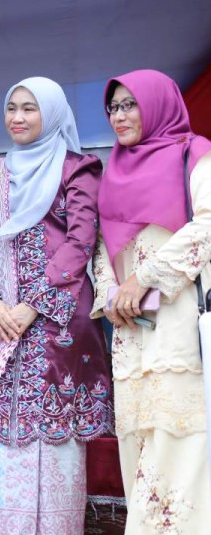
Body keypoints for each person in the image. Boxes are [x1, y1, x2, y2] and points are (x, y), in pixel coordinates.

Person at [0, 77, 112, 533]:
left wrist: (33, 305)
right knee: (5, 447)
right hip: (0, 326)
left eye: (29, 108)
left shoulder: (78, 168)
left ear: (50, 114)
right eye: (11, 108)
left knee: (58, 447)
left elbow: (80, 242)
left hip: (57, 326)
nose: (17, 118)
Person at [92, 69, 211, 532]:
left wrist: (145, 278)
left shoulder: (194, 155)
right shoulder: (113, 170)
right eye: (114, 107)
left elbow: (208, 224)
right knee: (138, 447)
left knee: (182, 442)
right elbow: (103, 247)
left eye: (130, 104)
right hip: (130, 330)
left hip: (179, 322)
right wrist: (112, 295)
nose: (120, 116)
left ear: (158, 103)